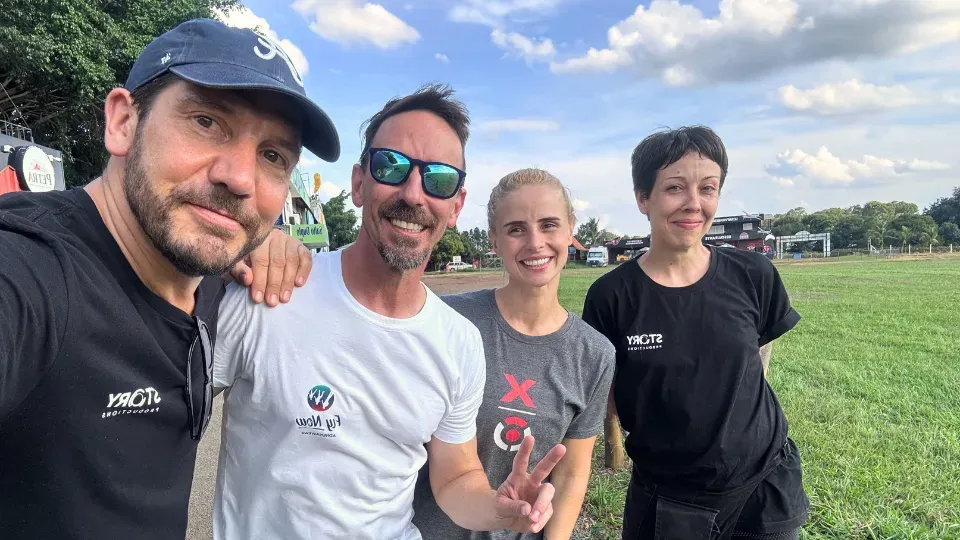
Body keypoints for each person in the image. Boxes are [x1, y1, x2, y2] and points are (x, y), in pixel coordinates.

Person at [0, 18, 340, 539]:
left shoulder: (204, 279)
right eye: (206, 122)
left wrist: (260, 242)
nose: (240, 178)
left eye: (272, 155)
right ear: (122, 122)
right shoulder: (36, 271)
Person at [212, 85, 566, 540]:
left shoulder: (457, 341)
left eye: (438, 179)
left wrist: (499, 508)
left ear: (455, 206)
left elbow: (455, 477)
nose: (414, 194)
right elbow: (170, 421)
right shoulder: (271, 289)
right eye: (392, 167)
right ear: (359, 183)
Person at [581, 126, 809, 540]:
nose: (694, 204)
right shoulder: (611, 296)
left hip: (764, 486)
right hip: (669, 498)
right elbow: (606, 398)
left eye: (708, 188)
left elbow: (757, 361)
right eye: (674, 188)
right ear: (642, 198)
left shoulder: (753, 275)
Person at [412, 168, 616, 540]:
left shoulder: (594, 354)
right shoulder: (448, 319)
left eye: (550, 225)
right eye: (516, 229)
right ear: (495, 238)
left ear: (571, 230)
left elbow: (571, 473)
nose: (535, 242)